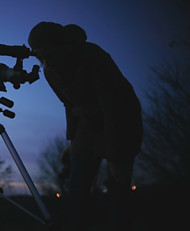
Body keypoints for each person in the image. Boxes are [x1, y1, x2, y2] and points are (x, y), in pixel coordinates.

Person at [28, 22, 143, 231]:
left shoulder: (92, 56)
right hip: (87, 121)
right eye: (39, 57)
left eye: (50, 55)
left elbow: (112, 107)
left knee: (118, 184)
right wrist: (72, 142)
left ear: (64, 47)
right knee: (77, 185)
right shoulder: (49, 72)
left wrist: (116, 157)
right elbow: (69, 105)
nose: (46, 62)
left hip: (121, 117)